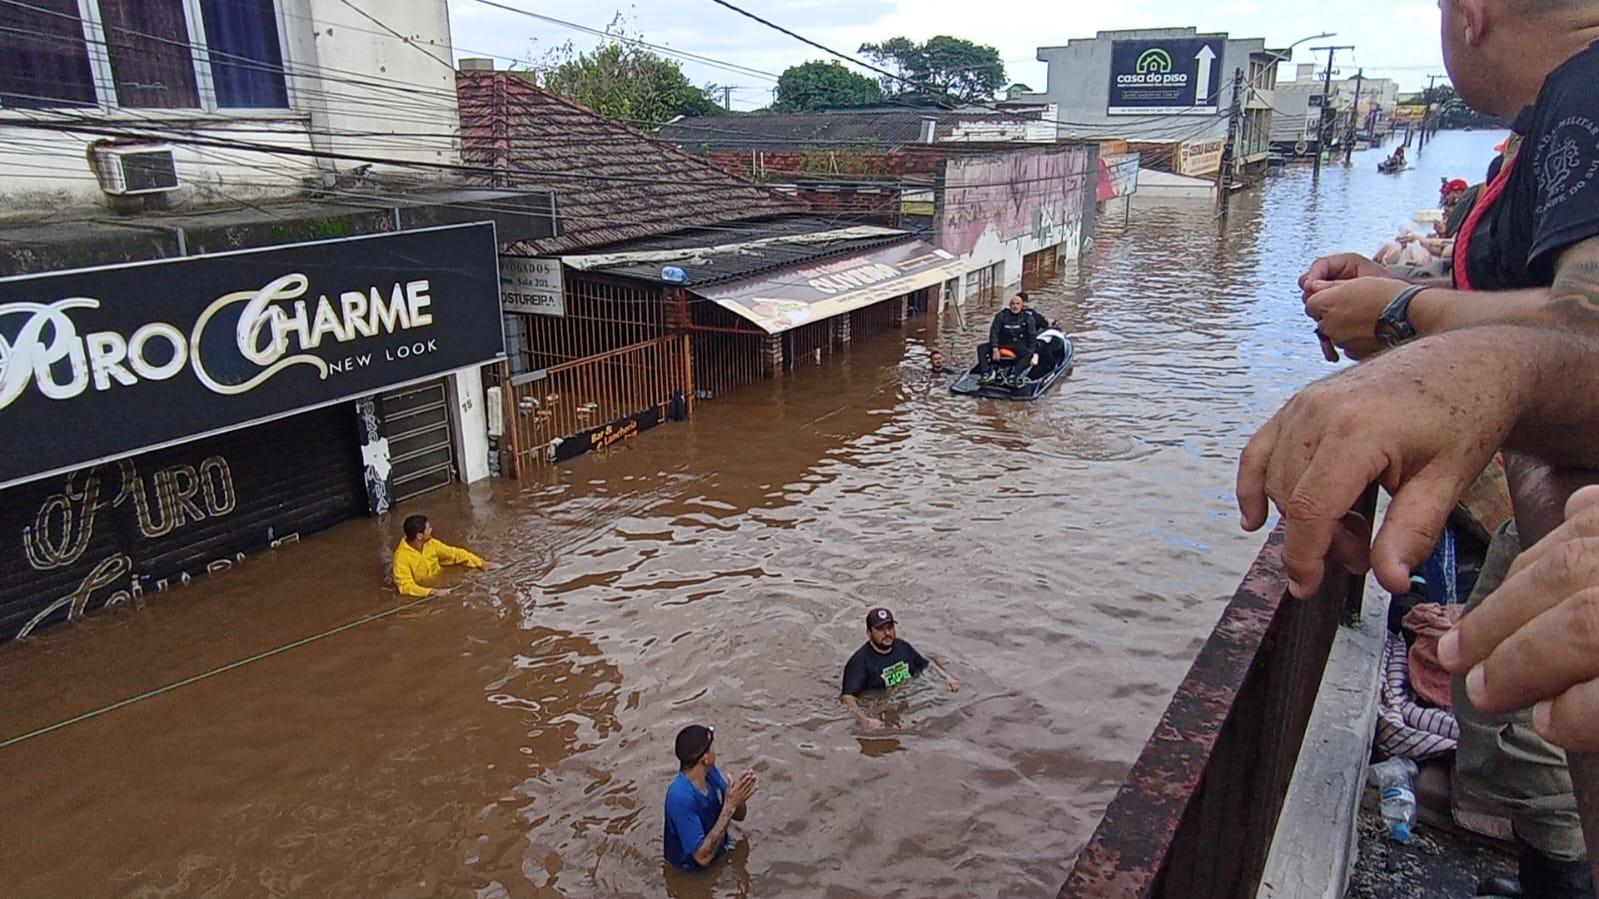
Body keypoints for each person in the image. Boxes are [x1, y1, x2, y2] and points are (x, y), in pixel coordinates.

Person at [1243, 1, 1599, 891]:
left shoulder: (1584, 96)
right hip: (1557, 522)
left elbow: (1584, 326)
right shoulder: (1548, 120)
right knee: (1518, 719)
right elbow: (1550, 307)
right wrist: (1404, 291)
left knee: (1535, 728)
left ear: (1467, 17)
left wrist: (1406, 320)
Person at [840, 607, 960, 731]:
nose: (887, 633)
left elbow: (926, 664)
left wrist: (947, 678)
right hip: (878, 704)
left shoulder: (903, 647)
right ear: (869, 632)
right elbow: (847, 697)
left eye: (890, 627)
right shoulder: (860, 662)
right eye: (880, 629)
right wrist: (864, 719)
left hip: (903, 699)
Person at [663, 724, 757, 871]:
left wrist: (738, 797)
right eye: (712, 746)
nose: (715, 749)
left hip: (720, 852)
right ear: (705, 759)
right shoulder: (680, 797)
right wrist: (730, 805)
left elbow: (739, 816)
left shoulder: (710, 772)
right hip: (690, 872)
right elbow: (702, 857)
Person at [391, 514, 493, 597]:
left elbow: (454, 553)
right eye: (428, 528)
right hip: (423, 593)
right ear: (419, 536)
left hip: (439, 582)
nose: (431, 530)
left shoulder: (431, 543)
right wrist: (432, 592)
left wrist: (481, 563)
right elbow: (405, 587)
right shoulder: (400, 557)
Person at [976, 293, 1038, 387]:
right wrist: (994, 348)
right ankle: (985, 374)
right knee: (981, 348)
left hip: (1018, 347)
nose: (1015, 306)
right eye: (1013, 304)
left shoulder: (1028, 318)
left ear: (1022, 306)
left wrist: (1033, 354)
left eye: (1018, 304)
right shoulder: (1001, 316)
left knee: (1029, 353)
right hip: (1002, 345)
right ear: (1009, 305)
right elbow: (994, 333)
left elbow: (1032, 337)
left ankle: (1014, 375)